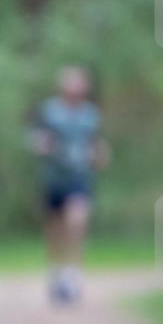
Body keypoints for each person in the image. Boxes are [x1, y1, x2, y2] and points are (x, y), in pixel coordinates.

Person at [29, 66, 111, 305]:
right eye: (71, 85)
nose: (76, 90)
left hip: (79, 179)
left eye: (80, 86)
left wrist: (101, 154)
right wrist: (42, 145)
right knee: (55, 230)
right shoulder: (50, 111)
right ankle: (55, 272)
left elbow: (97, 144)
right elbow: (36, 137)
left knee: (77, 221)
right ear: (63, 87)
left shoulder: (90, 115)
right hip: (54, 179)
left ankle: (72, 274)